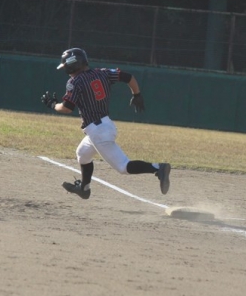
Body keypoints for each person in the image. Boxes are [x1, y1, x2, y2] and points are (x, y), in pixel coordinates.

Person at [41, 47, 170, 200]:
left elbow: (67, 108)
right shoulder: (102, 73)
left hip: (98, 131)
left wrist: (53, 105)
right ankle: (84, 188)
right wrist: (137, 94)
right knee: (82, 154)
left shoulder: (75, 82)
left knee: (123, 167)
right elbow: (128, 77)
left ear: (72, 64)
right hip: (103, 126)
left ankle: (158, 168)